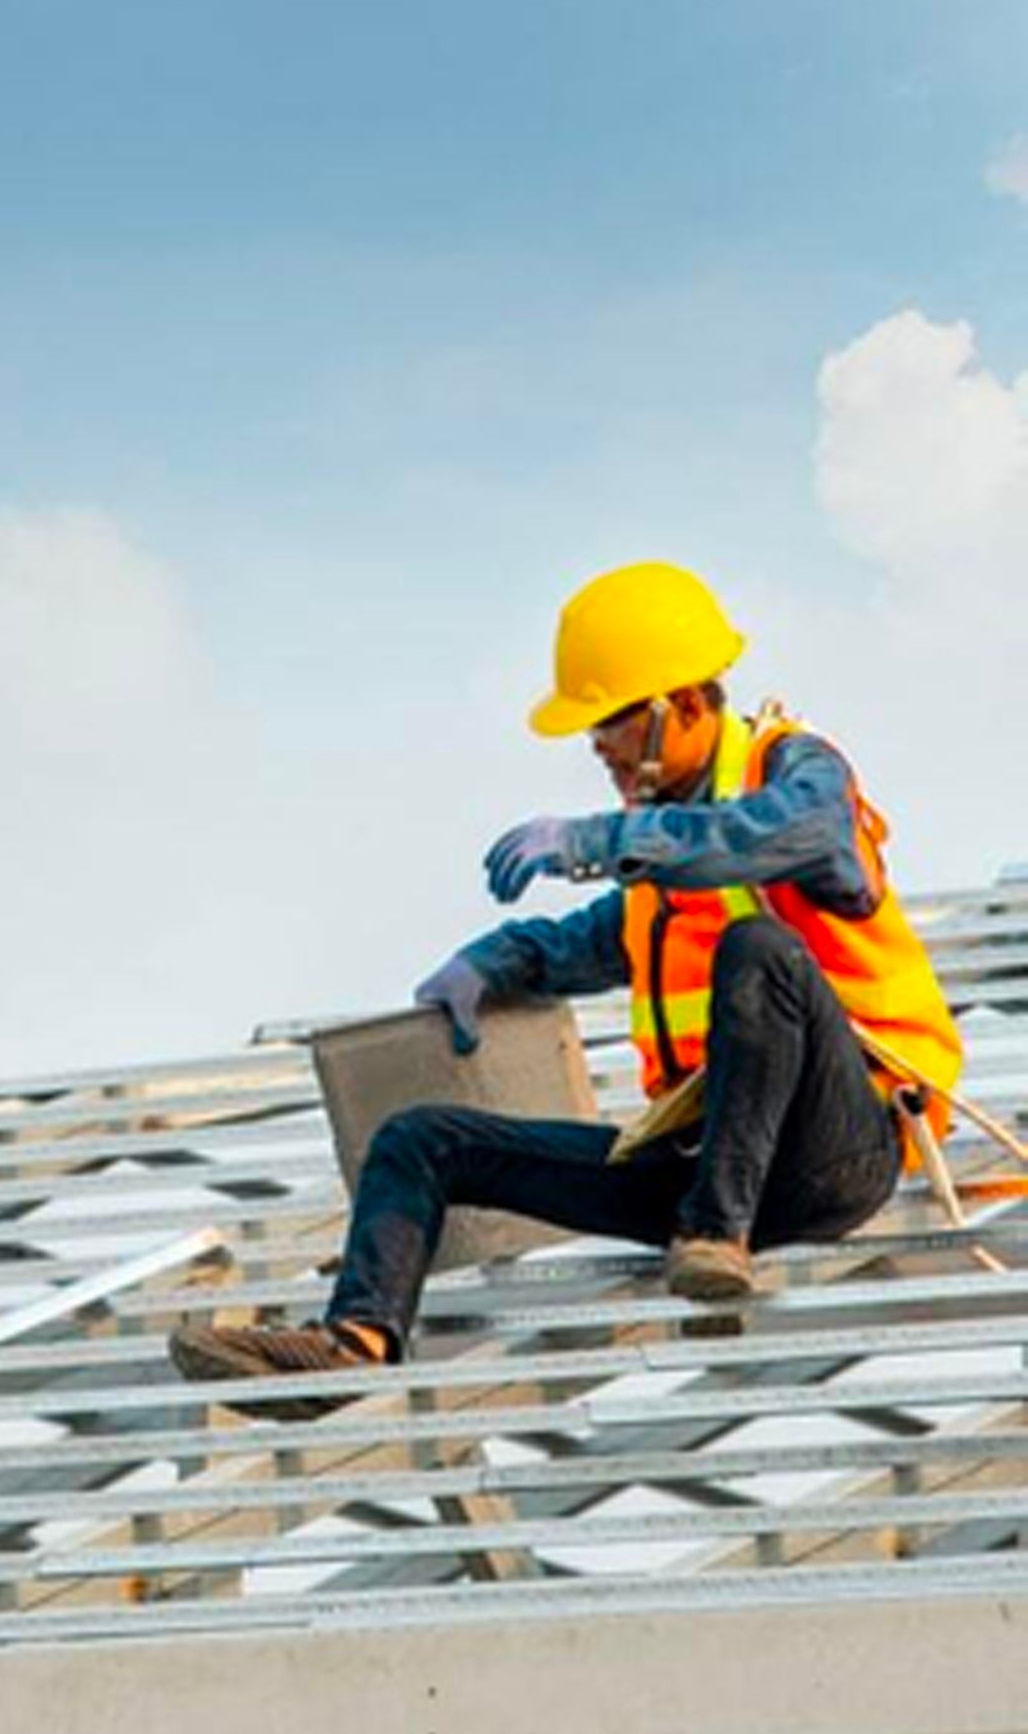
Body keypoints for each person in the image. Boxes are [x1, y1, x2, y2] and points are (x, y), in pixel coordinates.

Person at [169, 561, 963, 1416]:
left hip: (835, 1156)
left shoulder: (793, 771)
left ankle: (716, 1235)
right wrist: (497, 959)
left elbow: (782, 835)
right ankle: (353, 1343)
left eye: (609, 724)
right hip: (698, 1174)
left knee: (757, 948)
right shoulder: (659, 870)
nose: (599, 751)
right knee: (418, 1141)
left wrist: (600, 836)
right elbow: (594, 939)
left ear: (684, 704)